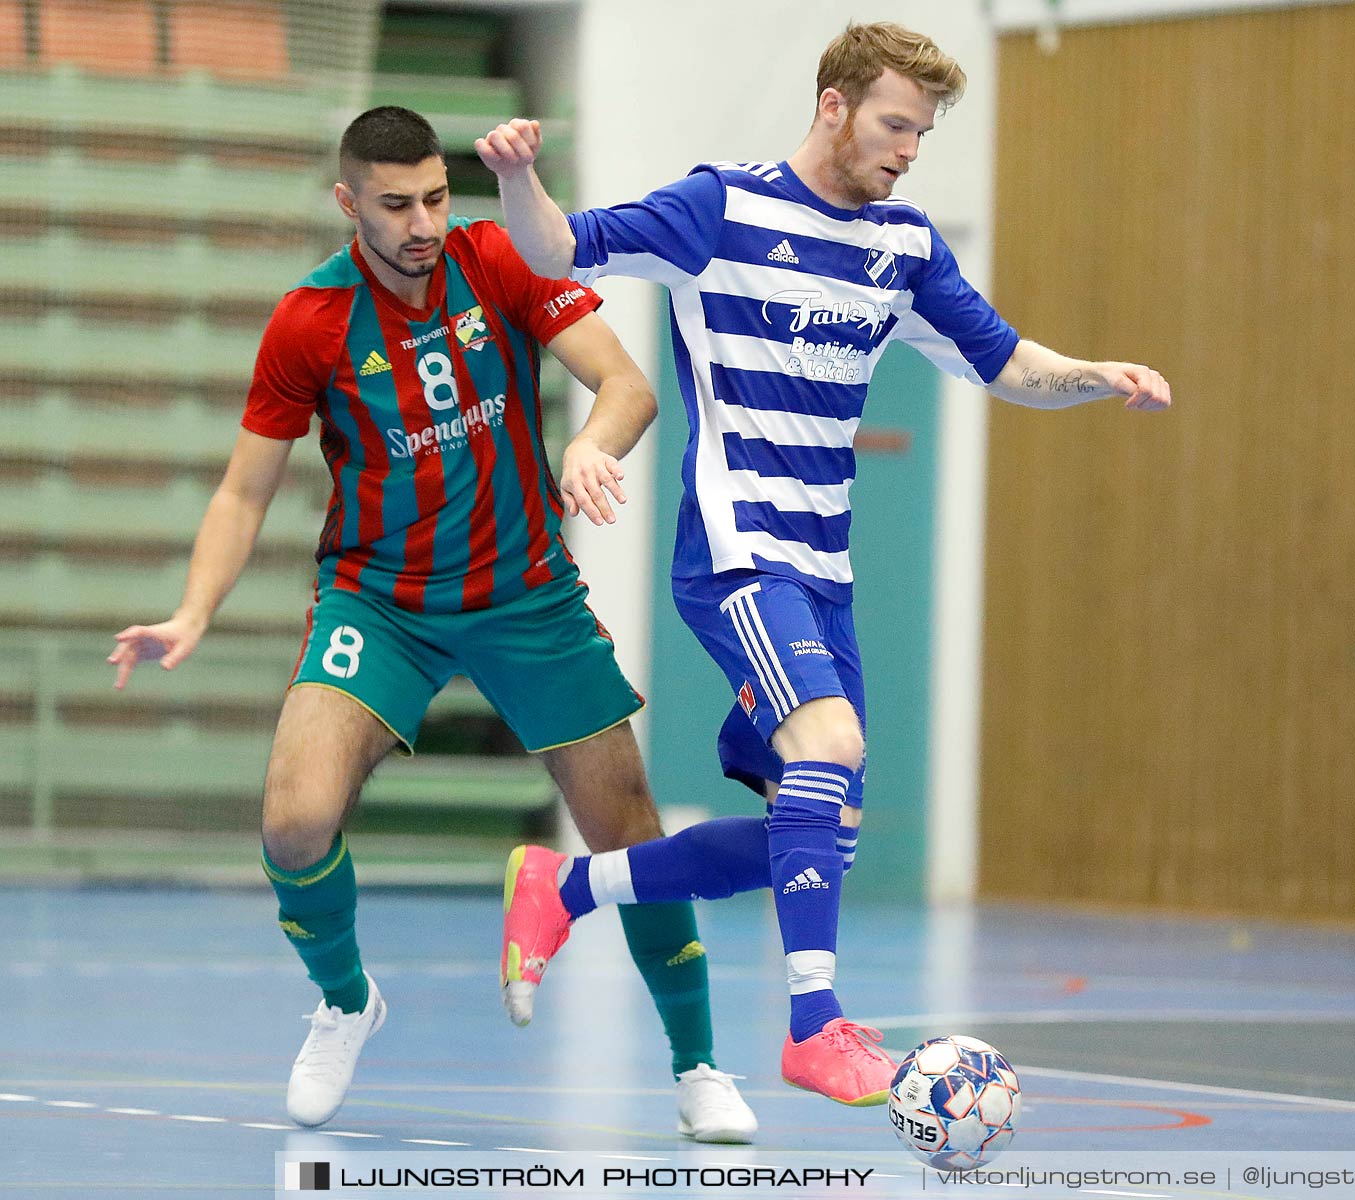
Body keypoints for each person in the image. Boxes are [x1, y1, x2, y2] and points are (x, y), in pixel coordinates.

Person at [478, 22, 1170, 1107]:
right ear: (834, 105)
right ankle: (812, 1023)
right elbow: (556, 249)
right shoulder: (721, 208)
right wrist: (521, 177)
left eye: (924, 133)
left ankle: (564, 888)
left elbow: (1005, 363)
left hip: (824, 569)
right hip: (739, 549)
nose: (908, 149)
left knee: (822, 825)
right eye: (896, 124)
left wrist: (1095, 373)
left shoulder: (904, 245)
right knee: (830, 743)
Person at [107, 106, 757, 1143]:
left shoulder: (497, 260)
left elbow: (625, 385)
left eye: (436, 199)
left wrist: (593, 446)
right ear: (348, 200)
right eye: (397, 203)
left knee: (627, 835)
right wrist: (192, 612)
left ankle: (698, 1066)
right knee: (292, 818)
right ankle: (346, 999)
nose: (422, 223)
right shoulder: (309, 321)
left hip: (527, 595)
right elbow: (243, 493)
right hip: (381, 603)